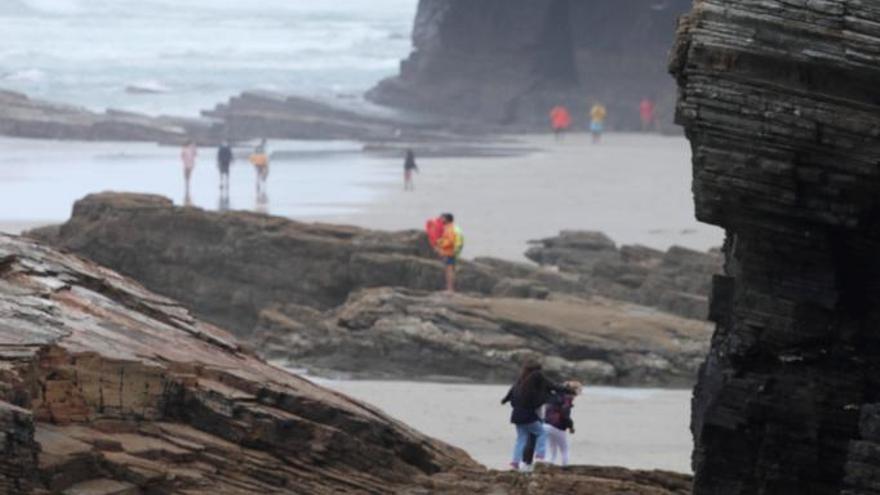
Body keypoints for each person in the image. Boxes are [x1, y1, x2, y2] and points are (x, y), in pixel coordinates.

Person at [501, 361, 569, 472]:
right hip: (529, 416)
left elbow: (510, 393)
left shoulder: (519, 382)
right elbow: (553, 386)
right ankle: (540, 456)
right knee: (541, 432)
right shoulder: (535, 381)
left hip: (516, 416)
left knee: (521, 439)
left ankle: (515, 463)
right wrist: (567, 390)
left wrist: (504, 400)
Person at [544, 381, 581, 466]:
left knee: (552, 448)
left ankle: (548, 465)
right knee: (565, 449)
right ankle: (565, 467)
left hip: (546, 424)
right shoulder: (567, 399)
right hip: (557, 426)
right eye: (579, 391)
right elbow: (565, 415)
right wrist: (571, 426)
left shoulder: (554, 395)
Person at [433, 213, 463, 292]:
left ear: (446, 219)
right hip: (450, 252)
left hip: (449, 252)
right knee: (449, 270)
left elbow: (450, 241)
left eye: (442, 218)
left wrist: (439, 243)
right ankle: (450, 288)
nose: (440, 219)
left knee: (449, 271)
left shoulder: (450, 229)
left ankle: (450, 289)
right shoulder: (450, 228)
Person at [181, 140, 197, 205]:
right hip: (188, 164)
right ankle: (187, 184)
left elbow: (195, 154)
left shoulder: (189, 149)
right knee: (187, 175)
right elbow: (182, 156)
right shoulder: (187, 149)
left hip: (188, 164)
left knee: (187, 175)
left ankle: (187, 184)